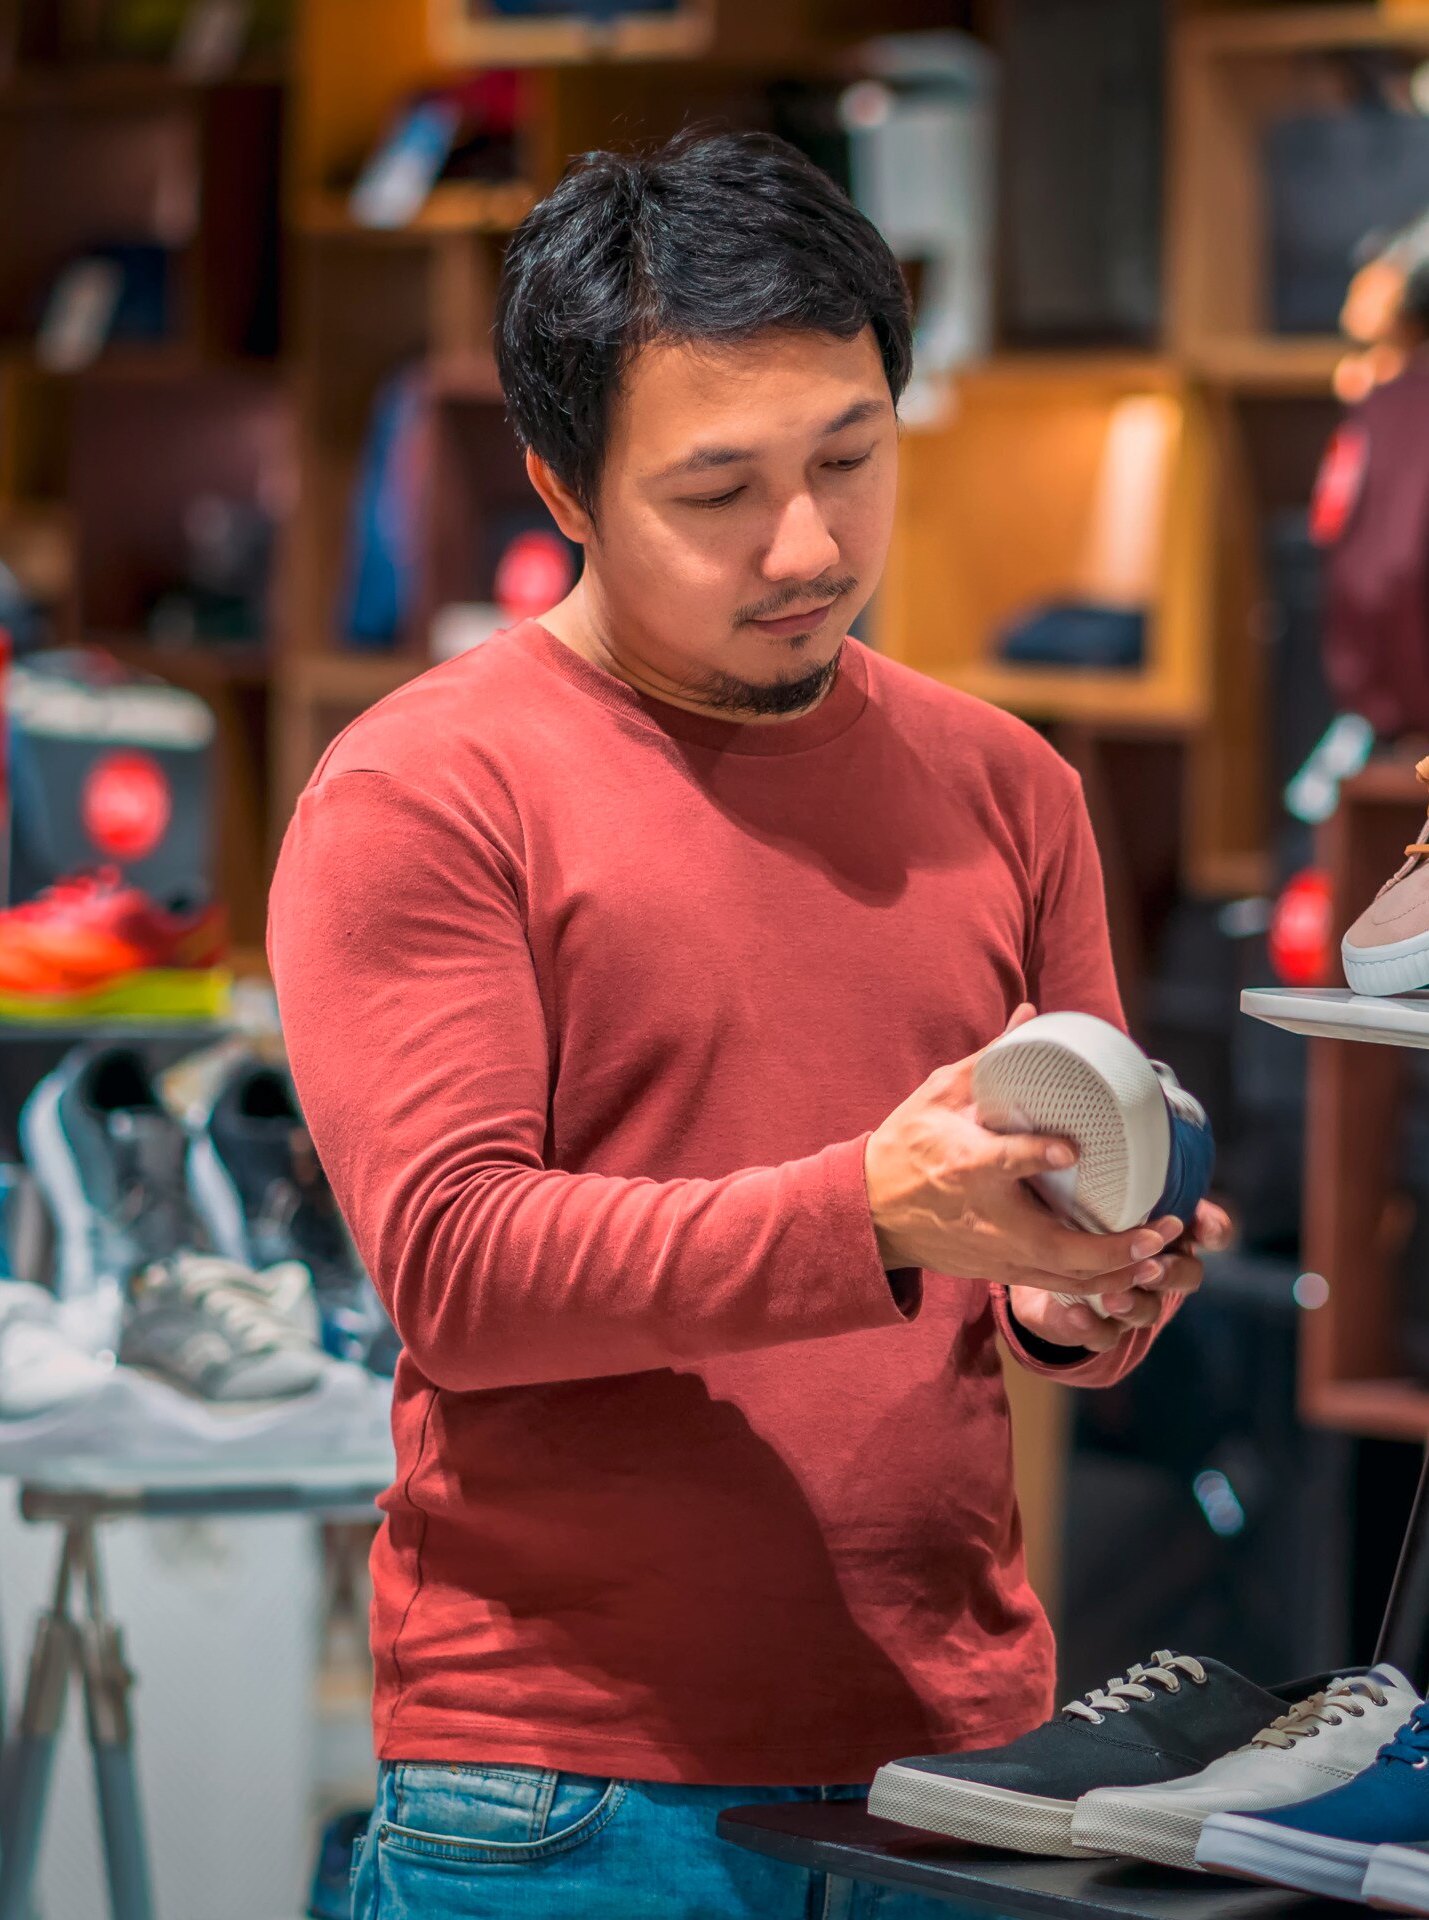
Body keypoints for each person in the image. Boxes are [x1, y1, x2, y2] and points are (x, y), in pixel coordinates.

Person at [269, 131, 1226, 1918]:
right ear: (561, 486)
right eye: (716, 493)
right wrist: (869, 1210)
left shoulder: (1008, 787)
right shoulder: (424, 789)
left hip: (961, 1766)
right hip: (564, 1790)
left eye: (850, 460)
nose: (806, 544)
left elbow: (1042, 1261)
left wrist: (1084, 1286)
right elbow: (456, 1274)